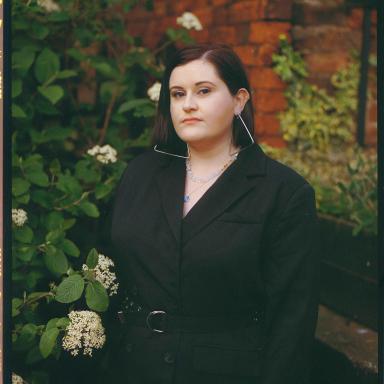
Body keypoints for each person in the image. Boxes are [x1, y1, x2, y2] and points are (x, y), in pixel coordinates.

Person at [109, 43, 319, 384]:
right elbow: (110, 267)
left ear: (239, 101)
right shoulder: (141, 173)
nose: (188, 104)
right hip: (133, 367)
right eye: (177, 94)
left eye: (203, 91)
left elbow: (291, 319)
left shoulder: (282, 192)